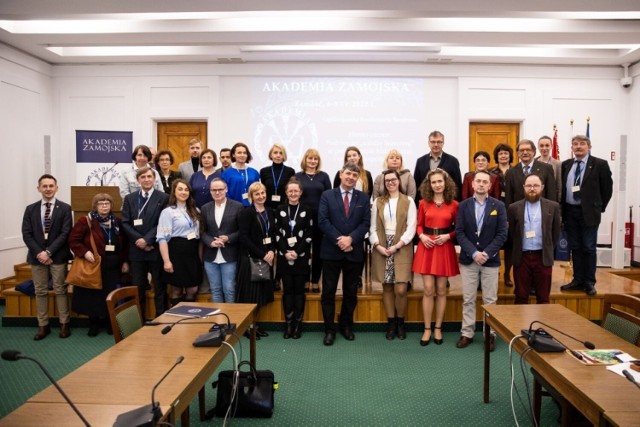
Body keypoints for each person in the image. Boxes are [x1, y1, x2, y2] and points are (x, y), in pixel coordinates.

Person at [318, 163, 371, 346]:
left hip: (353, 251)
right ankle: (329, 329)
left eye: (354, 175)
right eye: (348, 173)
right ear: (341, 174)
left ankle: (345, 325)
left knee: (350, 292)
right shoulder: (327, 195)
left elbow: (365, 223)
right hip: (331, 251)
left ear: (358, 178)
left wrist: (351, 239)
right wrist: (340, 240)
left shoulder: (363, 198)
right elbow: (323, 221)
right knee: (328, 292)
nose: (350, 177)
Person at [455, 171, 507, 352]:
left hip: (490, 261)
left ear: (490, 186)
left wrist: (486, 253)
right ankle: (467, 333)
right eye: (478, 181)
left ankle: (490, 334)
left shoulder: (499, 206)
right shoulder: (463, 206)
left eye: (485, 182)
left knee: (490, 300)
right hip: (469, 260)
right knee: (468, 299)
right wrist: (474, 252)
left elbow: (502, 234)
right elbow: (459, 233)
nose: (481, 184)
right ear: (472, 184)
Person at [560, 135, 613, 296]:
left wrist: (598, 207)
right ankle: (577, 280)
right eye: (575, 144)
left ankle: (589, 282)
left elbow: (607, 189)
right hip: (570, 211)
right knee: (575, 247)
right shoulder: (566, 165)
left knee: (588, 248)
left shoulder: (599, 164)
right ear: (572, 148)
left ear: (589, 146)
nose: (578, 147)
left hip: (589, 213)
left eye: (582, 144)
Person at [69, 193, 129, 336]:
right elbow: (73, 240)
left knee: (110, 294)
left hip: (114, 266)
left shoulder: (117, 221)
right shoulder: (86, 221)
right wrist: (84, 252)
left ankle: (110, 323)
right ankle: (94, 324)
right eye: (101, 204)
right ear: (95, 206)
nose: (104, 206)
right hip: (94, 265)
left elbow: (125, 243)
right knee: (93, 296)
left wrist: (125, 261)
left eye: (107, 203)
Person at [22, 174, 73, 340]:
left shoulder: (65, 208)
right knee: (40, 291)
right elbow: (27, 234)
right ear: (39, 189)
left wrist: (49, 252)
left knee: (60, 290)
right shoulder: (31, 209)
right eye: (45, 186)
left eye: (51, 186)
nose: (48, 189)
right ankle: (43, 325)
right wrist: (40, 253)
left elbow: (65, 233)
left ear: (57, 188)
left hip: (58, 256)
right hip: (37, 257)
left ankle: (64, 324)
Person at [411, 169, 459, 346]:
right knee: (428, 290)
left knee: (441, 290)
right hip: (427, 246)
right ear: (429, 185)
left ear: (446, 183)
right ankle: (427, 329)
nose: (437, 185)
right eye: (433, 182)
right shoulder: (423, 203)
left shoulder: (454, 204)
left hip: (444, 246)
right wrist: (422, 236)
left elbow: (458, 228)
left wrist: (449, 236)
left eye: (440, 181)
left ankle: (438, 328)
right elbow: (419, 225)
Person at [370, 169, 416, 340]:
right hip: (382, 246)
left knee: (401, 288)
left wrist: (398, 245)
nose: (390, 182)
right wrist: (377, 245)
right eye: (387, 180)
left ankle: (401, 321)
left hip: (402, 246)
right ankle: (391, 323)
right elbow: (372, 227)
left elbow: (411, 227)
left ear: (399, 181)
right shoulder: (378, 202)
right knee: (387, 286)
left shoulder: (409, 201)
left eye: (393, 179)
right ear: (384, 183)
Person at [121, 167, 170, 317]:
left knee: (159, 287)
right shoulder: (130, 198)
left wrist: (147, 240)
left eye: (149, 176)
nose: (147, 179)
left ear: (155, 179)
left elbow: (163, 223)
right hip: (136, 250)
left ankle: (160, 317)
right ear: (138, 180)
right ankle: (139, 321)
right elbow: (125, 223)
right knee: (138, 287)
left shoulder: (164, 197)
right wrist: (139, 240)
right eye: (143, 177)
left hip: (155, 248)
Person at [508, 174, 561, 304]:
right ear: (524, 187)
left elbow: (555, 233)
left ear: (542, 187)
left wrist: (548, 248)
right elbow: (512, 233)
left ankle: (541, 325)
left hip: (542, 257)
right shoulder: (514, 208)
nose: (532, 188)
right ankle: (519, 325)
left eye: (536, 185)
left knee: (543, 298)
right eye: (529, 186)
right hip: (522, 257)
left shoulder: (553, 207)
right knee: (521, 296)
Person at [237, 182, 276, 338]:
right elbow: (244, 238)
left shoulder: (270, 212)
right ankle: (247, 327)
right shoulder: (246, 213)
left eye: (263, 193)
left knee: (261, 296)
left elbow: (273, 235)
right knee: (250, 297)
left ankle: (256, 325)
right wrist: (262, 254)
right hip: (251, 259)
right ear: (251, 197)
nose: (261, 196)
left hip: (266, 259)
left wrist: (272, 250)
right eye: (257, 194)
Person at [275, 178, 312, 339]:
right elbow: (276, 233)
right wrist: (285, 251)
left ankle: (298, 325)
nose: (293, 193)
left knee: (299, 291)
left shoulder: (307, 209)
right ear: (286, 192)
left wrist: (297, 252)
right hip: (285, 257)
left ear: (301, 192)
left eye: (296, 191)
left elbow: (309, 235)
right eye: (290, 191)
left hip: (301, 256)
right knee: (287, 291)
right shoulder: (280, 209)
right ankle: (288, 325)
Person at [156, 179, 202, 305]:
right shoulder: (168, 212)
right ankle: (178, 320)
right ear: (174, 192)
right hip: (176, 253)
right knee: (176, 289)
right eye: (180, 189)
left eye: (186, 190)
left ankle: (189, 317)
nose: (183, 192)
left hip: (192, 253)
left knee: (193, 288)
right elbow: (162, 238)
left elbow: (199, 235)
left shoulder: (196, 210)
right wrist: (166, 261)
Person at [294, 148, 332, 293]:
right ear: (305, 159)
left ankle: (315, 280)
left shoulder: (324, 176)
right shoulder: (297, 176)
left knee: (318, 250)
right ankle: (304, 280)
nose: (312, 161)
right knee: (302, 250)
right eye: (310, 158)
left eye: (315, 159)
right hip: (301, 218)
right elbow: (292, 195)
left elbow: (329, 197)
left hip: (320, 219)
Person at [201, 178, 243, 303]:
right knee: (215, 290)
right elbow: (202, 231)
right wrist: (210, 242)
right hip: (211, 256)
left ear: (226, 189)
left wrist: (229, 238)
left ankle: (232, 321)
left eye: (220, 189)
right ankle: (219, 321)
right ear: (210, 191)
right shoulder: (205, 208)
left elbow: (242, 231)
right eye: (214, 190)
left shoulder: (237, 206)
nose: (217, 192)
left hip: (229, 255)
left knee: (229, 289)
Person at [488, 143, 515, 287]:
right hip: (494, 212)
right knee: (495, 244)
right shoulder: (491, 172)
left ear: (510, 155)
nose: (503, 156)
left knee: (510, 245)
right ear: (496, 157)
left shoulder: (516, 171)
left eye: (506, 153)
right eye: (500, 154)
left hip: (512, 211)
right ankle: (495, 272)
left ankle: (507, 274)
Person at [504, 139, 556, 208]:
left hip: (542, 210)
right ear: (518, 153)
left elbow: (551, 194)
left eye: (528, 150)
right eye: (522, 150)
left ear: (534, 152)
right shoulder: (511, 172)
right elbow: (509, 198)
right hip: (519, 212)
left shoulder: (546, 168)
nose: (525, 152)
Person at [414, 130, 463, 202]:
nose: (436, 144)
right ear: (428, 143)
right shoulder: (420, 161)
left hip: (446, 203)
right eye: (433, 142)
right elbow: (416, 184)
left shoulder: (453, 161)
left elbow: (457, 185)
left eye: (439, 142)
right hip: (426, 203)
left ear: (443, 143)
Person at [221, 142, 260, 207]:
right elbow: (225, 193)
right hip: (233, 208)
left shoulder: (254, 172)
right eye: (239, 153)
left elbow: (258, 190)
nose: (242, 155)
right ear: (233, 155)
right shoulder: (226, 173)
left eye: (244, 153)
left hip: (252, 207)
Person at [260, 143, 296, 210]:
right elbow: (263, 190)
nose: (278, 155)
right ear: (271, 155)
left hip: (285, 206)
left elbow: (291, 191)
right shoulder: (264, 171)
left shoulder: (290, 171)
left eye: (281, 153)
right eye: (275, 153)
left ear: (284, 155)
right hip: (267, 206)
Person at [536, 135, 562, 202]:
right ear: (538, 147)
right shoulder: (534, 163)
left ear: (551, 146)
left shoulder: (558, 164)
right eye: (541, 146)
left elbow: (559, 185)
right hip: (536, 198)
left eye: (547, 145)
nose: (544, 148)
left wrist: (559, 202)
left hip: (551, 200)